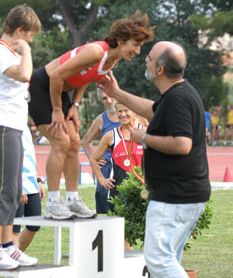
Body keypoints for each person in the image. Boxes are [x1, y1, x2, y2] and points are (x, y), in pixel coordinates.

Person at [98, 41, 211, 277]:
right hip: (183, 194)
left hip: (175, 196)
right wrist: (116, 93)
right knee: (168, 259)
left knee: (159, 261)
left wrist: (145, 139)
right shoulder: (177, 94)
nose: (144, 59)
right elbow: (153, 108)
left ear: (159, 70)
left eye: (149, 57)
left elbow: (182, 144)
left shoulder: (178, 98)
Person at [28, 11, 154, 220]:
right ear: (121, 40)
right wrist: (58, 110)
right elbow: (57, 75)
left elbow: (86, 77)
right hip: (43, 87)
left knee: (74, 142)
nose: (138, 51)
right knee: (61, 141)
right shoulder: (96, 52)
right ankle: (52, 203)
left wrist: (75, 105)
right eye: (136, 44)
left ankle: (72, 200)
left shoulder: (112, 62)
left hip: (61, 92)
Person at [0, 4, 41, 269]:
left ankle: (8, 246)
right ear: (19, 31)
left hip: (15, 125)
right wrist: (25, 50)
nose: (31, 42)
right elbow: (25, 75)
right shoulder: (3, 52)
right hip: (3, 125)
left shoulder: (10, 53)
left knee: (14, 190)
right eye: (30, 36)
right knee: (6, 190)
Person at [89, 102, 145, 250]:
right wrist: (101, 179)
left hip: (142, 189)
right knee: (123, 232)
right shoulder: (110, 136)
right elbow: (94, 159)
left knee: (147, 229)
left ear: (133, 112)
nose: (122, 114)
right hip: (119, 191)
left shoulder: (144, 132)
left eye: (126, 110)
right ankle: (128, 265)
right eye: (119, 111)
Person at [81, 88, 120, 214]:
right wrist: (94, 158)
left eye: (110, 96)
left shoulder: (130, 114)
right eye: (104, 98)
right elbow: (85, 141)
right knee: (104, 211)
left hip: (126, 167)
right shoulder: (101, 119)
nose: (109, 101)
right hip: (107, 169)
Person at [13, 125, 46, 251]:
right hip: (16, 182)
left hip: (31, 182)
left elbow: (29, 155)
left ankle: (16, 255)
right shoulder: (7, 123)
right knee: (13, 228)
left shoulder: (24, 126)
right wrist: (18, 185)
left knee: (34, 225)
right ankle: (10, 257)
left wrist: (38, 180)